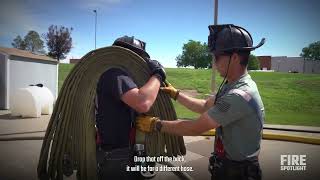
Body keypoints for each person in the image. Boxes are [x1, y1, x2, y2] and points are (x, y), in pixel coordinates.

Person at [136, 24, 265, 180]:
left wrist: (155, 124)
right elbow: (204, 106)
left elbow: (195, 128)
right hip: (226, 167)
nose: (214, 62)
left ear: (235, 58)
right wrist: (176, 94)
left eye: (217, 57)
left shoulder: (240, 94)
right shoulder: (232, 86)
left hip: (239, 173)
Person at [95, 35, 166, 179]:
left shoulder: (122, 77)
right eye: (137, 57)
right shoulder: (115, 74)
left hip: (126, 153)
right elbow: (143, 103)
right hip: (118, 157)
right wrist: (158, 75)